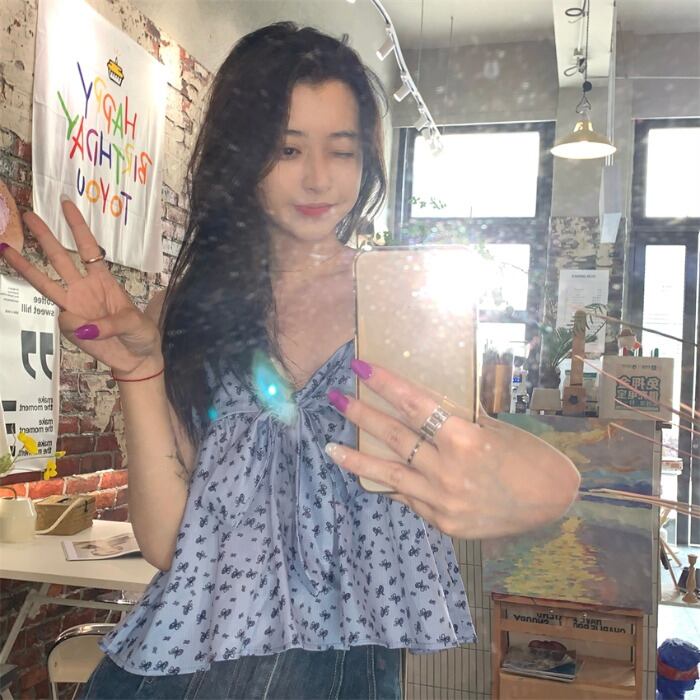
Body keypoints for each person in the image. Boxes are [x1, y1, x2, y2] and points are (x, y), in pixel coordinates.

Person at [0, 22, 580, 700]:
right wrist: (137, 371)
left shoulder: (402, 305)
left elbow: (535, 475)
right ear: (241, 156)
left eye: (342, 151)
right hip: (182, 673)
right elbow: (169, 544)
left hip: (340, 673)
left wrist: (489, 493)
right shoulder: (186, 308)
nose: (318, 178)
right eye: (287, 148)